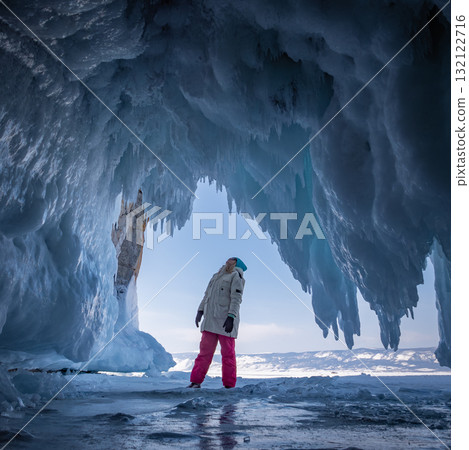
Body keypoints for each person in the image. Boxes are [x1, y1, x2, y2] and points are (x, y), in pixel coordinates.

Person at [187, 257, 247, 389]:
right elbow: (207, 295)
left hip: (225, 321)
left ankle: (229, 385)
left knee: (228, 354)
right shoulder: (216, 276)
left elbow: (236, 298)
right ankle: (195, 382)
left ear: (237, 264)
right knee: (204, 353)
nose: (228, 261)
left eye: (232, 261)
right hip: (210, 321)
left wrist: (231, 316)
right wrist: (200, 311)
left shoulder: (236, 276)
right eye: (228, 260)